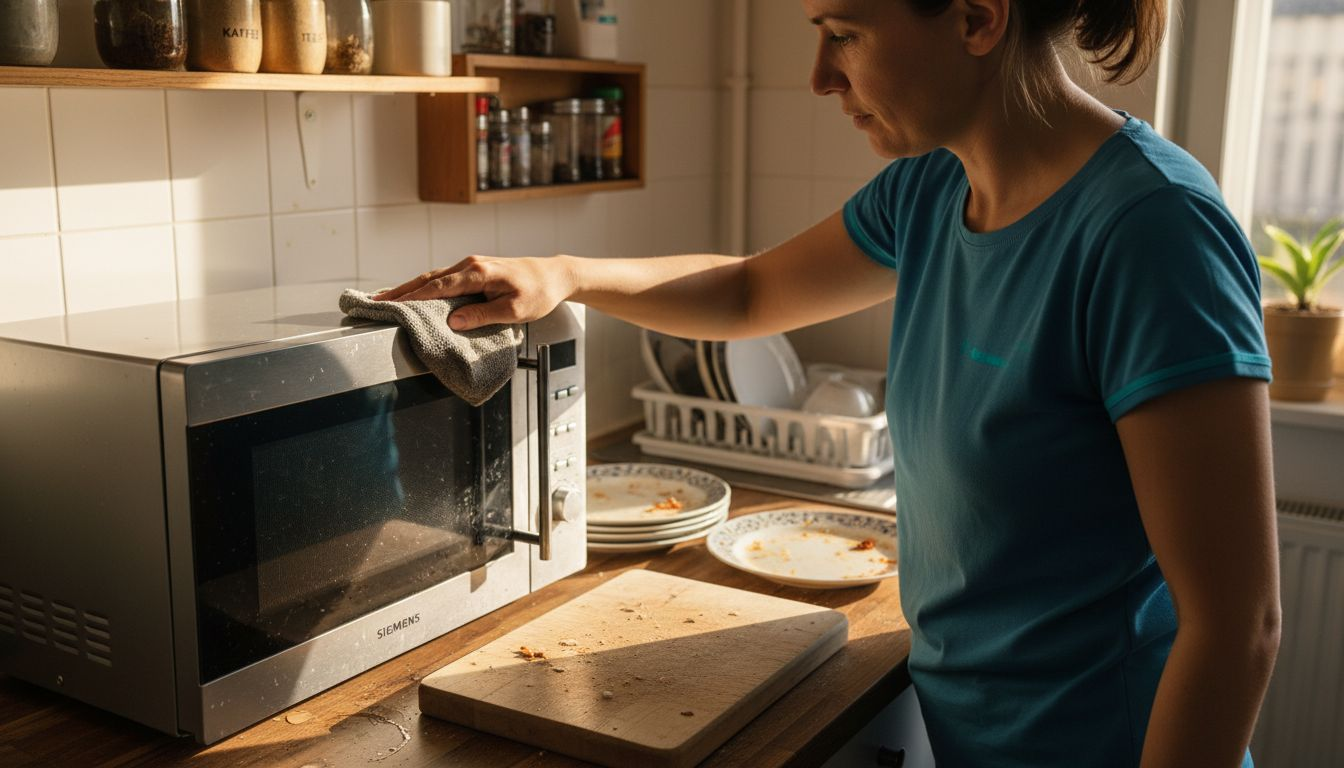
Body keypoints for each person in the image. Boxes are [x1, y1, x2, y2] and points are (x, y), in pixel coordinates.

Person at [375, 0, 1282, 764]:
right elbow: (752, 289)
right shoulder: (932, 190)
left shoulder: (1154, 234)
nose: (819, 75)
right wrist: (566, 272)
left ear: (976, 17)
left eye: (843, 32)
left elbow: (1236, 627)